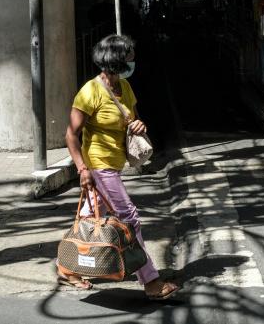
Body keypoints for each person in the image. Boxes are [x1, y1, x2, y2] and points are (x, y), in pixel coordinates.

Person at [62, 34, 180, 300]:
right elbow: (71, 135)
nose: (132, 61)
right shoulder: (89, 92)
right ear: (115, 60)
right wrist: (82, 170)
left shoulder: (125, 87)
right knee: (129, 218)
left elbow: (133, 120)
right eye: (128, 56)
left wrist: (139, 125)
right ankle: (150, 281)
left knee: (86, 220)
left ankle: (67, 267)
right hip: (98, 165)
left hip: (115, 164)